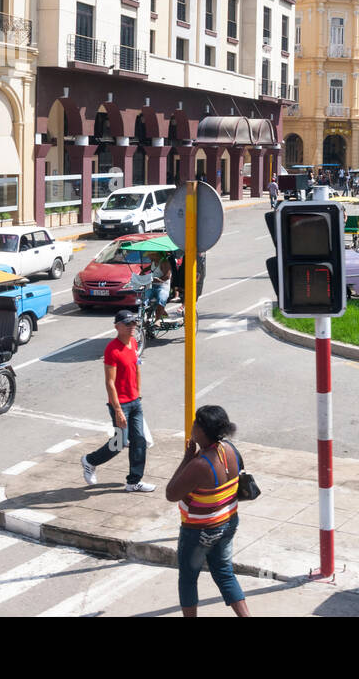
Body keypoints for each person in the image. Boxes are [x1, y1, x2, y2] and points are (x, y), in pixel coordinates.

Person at [166, 405, 250, 617]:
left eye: (195, 423)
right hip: (228, 522)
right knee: (224, 573)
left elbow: (171, 493)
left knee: (188, 577)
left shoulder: (200, 464)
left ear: (202, 430)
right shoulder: (229, 449)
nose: (192, 426)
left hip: (200, 531)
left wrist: (187, 457)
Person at [81, 310, 154, 493]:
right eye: (128, 324)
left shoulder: (133, 342)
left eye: (134, 323)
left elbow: (136, 367)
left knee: (139, 441)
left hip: (135, 402)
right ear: (117, 326)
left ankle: (134, 481)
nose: (132, 327)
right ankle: (90, 461)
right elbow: (110, 382)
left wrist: (138, 392)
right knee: (119, 443)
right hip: (120, 405)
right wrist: (118, 410)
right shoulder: (111, 350)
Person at [139, 251, 172, 322]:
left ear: (155, 255)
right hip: (153, 285)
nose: (148, 257)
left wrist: (158, 280)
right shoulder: (153, 262)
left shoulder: (164, 262)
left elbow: (167, 276)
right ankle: (144, 317)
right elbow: (149, 268)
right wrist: (142, 272)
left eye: (149, 255)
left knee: (161, 299)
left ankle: (157, 320)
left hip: (163, 286)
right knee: (144, 299)